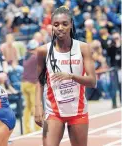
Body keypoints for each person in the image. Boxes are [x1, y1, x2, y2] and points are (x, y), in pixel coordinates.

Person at [35, 6, 96, 146]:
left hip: (78, 111)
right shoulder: (43, 51)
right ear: (52, 26)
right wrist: (38, 106)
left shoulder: (83, 48)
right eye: (56, 25)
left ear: (71, 25)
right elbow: (39, 81)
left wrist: (71, 76)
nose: (60, 28)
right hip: (53, 112)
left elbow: (92, 81)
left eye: (64, 24)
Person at [21, 39, 41, 134]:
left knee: (27, 108)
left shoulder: (26, 57)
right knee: (36, 106)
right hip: (32, 85)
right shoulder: (35, 57)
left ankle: (27, 129)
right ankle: (37, 128)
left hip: (24, 84)